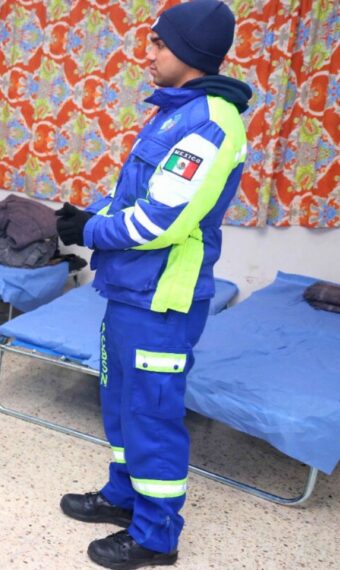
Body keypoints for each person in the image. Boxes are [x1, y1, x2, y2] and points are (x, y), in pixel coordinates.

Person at [54, 2, 251, 568]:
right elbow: (136, 199)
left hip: (162, 299)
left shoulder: (210, 121)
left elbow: (160, 222)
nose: (149, 53)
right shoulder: (175, 112)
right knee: (120, 405)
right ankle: (124, 497)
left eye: (159, 45)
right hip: (131, 291)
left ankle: (156, 535)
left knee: (151, 414)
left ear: (188, 51)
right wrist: (86, 213)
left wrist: (90, 230)